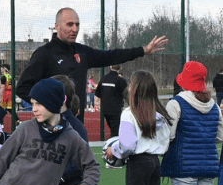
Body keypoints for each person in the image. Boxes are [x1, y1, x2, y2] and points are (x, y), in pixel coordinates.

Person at [16, 7, 168, 121]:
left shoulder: (82, 52)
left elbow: (111, 56)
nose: (74, 29)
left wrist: (143, 50)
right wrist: (46, 105)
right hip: (52, 126)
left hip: (76, 123)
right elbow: (23, 87)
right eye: (69, 24)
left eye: (77, 24)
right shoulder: (44, 53)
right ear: (57, 26)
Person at [96, 64, 127, 138]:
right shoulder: (121, 80)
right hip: (116, 110)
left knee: (114, 129)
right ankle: (112, 146)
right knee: (115, 131)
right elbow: (126, 95)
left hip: (105, 109)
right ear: (120, 68)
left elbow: (98, 93)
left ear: (110, 67)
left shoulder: (103, 78)